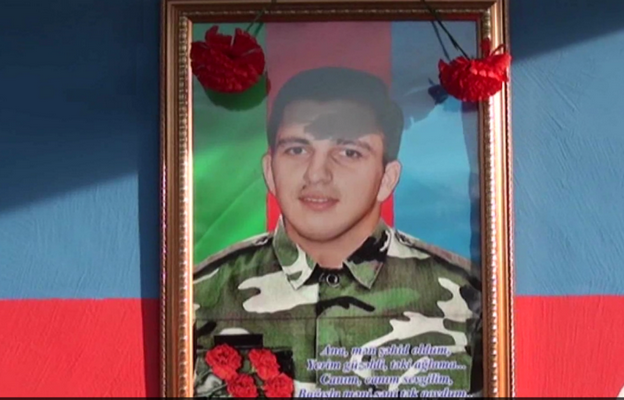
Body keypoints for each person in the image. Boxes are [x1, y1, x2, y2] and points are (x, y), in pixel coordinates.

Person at [193, 67, 482, 398]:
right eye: (297, 150)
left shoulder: (469, 296)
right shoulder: (201, 295)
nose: (317, 174)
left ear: (387, 178)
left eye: (349, 152)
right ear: (269, 171)